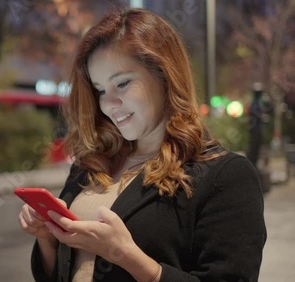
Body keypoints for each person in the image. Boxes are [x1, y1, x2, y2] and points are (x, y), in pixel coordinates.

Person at [18, 8, 266, 282]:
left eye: (122, 83)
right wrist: (47, 240)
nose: (109, 104)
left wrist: (127, 256)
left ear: (164, 75)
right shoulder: (91, 163)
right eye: (100, 90)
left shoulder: (225, 175)